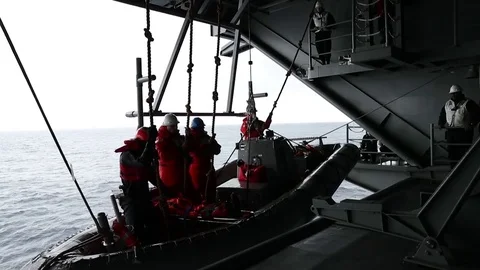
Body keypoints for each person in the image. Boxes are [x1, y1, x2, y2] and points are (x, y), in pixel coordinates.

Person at [114, 126, 161, 243]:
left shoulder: (141, 155)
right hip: (131, 200)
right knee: (135, 232)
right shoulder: (127, 155)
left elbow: (151, 175)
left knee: (155, 226)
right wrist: (151, 141)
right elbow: (142, 162)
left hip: (144, 197)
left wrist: (166, 190)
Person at [438, 84, 480, 165]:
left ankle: (464, 168)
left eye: (455, 93)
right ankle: (453, 168)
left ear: (460, 93)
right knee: (451, 151)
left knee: (463, 151)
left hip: (463, 132)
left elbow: (478, 114)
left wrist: (472, 124)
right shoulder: (448, 104)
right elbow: (442, 114)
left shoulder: (469, 103)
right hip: (451, 132)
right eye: (452, 93)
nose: (453, 95)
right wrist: (441, 123)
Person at [184, 117, 221, 203]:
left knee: (202, 190)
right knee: (205, 190)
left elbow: (216, 150)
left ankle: (202, 206)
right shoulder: (193, 139)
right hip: (201, 168)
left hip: (200, 169)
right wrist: (209, 145)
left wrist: (211, 144)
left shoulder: (191, 138)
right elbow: (216, 150)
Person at [156, 113, 188, 197]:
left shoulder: (171, 137)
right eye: (173, 126)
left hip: (175, 171)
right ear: (167, 126)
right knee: (172, 195)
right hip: (169, 173)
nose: (175, 128)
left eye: (176, 126)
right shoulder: (161, 139)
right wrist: (180, 150)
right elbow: (165, 156)